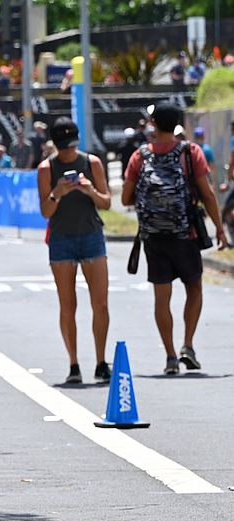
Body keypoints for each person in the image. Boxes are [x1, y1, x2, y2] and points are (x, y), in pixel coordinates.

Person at [122, 103, 227, 375]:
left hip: (154, 238)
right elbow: (207, 193)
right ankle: (187, 346)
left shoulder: (140, 156)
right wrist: (219, 227)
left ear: (154, 124)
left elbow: (125, 198)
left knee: (162, 298)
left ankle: (169, 357)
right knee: (194, 289)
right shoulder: (191, 153)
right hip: (186, 235)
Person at [37, 118, 112, 384]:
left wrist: (90, 190)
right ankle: (74, 364)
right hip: (62, 239)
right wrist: (57, 193)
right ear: (56, 146)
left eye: (71, 147)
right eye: (64, 148)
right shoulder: (47, 168)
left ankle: (101, 361)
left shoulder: (91, 163)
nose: (69, 153)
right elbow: (45, 211)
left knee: (100, 303)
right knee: (68, 305)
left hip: (91, 235)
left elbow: (106, 203)